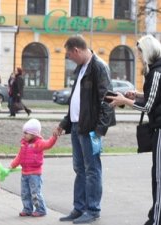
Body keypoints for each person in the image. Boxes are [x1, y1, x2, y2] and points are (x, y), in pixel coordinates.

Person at [56, 35, 115, 224]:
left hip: (90, 129)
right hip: (76, 126)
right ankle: (79, 208)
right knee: (80, 169)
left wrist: (99, 130)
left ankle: (93, 210)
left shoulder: (98, 67)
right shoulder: (81, 68)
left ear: (77, 50)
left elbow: (108, 100)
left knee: (92, 170)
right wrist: (65, 123)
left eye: (69, 55)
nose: (69, 58)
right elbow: (76, 99)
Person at [107, 34, 161, 225]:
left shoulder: (156, 72)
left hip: (160, 130)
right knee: (157, 175)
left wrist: (125, 100)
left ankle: (156, 219)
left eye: (140, 53)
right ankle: (154, 215)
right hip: (157, 129)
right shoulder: (155, 71)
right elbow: (152, 98)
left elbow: (148, 106)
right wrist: (136, 94)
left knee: (158, 178)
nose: (139, 57)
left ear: (148, 52)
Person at [10, 118, 58, 217]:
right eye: (24, 133)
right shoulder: (24, 144)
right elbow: (19, 156)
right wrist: (13, 165)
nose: (24, 135)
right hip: (25, 173)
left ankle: (41, 209)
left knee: (35, 193)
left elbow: (48, 144)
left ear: (33, 134)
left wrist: (54, 138)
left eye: (26, 133)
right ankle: (27, 209)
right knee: (25, 193)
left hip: (35, 174)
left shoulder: (38, 143)